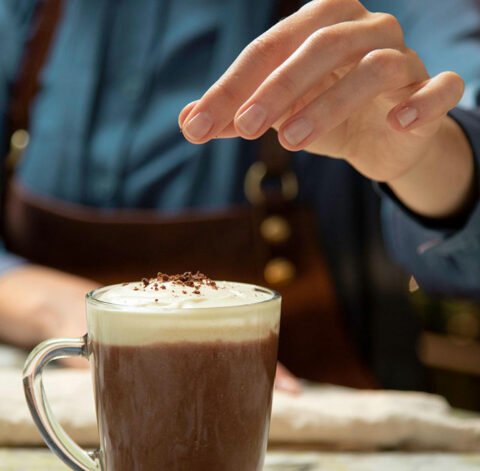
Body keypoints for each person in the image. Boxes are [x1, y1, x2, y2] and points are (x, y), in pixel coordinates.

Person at [0, 0, 479, 388]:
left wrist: (426, 155)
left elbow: (459, 99)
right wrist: (46, 303)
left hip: (308, 421)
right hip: (50, 406)